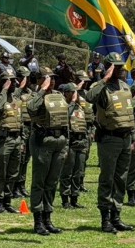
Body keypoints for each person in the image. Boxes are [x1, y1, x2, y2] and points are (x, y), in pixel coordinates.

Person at [88, 52, 135, 233]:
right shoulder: (101, 88)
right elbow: (89, 97)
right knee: (107, 178)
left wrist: (133, 138)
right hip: (109, 138)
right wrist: (104, 79)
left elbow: (129, 114)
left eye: (120, 66)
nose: (120, 70)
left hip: (125, 139)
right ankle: (105, 218)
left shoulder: (125, 87)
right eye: (115, 67)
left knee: (121, 179)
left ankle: (117, 216)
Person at [26, 70, 70, 236]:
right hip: (42, 142)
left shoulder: (59, 95)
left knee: (52, 182)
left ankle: (48, 218)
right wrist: (42, 90)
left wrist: (66, 142)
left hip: (59, 141)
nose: (52, 81)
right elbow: (31, 109)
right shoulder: (35, 95)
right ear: (40, 80)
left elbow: (66, 118)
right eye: (48, 78)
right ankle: (38, 221)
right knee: (40, 182)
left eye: (53, 78)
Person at [0, 69, 22, 213]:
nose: (14, 83)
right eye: (11, 81)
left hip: (16, 139)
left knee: (13, 172)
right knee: (1, 172)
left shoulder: (16, 99)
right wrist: (3, 91)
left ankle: (8, 201)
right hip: (4, 139)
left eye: (14, 80)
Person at [59, 79, 87, 210]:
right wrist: (71, 102)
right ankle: (65, 200)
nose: (76, 94)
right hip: (70, 143)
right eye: (73, 92)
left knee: (78, 172)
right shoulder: (64, 106)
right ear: (66, 93)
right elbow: (65, 116)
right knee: (67, 173)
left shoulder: (79, 107)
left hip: (81, 143)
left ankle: (75, 198)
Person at [13, 66, 34, 198]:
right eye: (23, 77)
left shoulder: (32, 92)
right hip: (20, 129)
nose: (26, 80)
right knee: (19, 159)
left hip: (30, 128)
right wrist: (20, 87)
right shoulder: (15, 93)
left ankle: (21, 184)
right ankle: (14, 186)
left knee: (26, 159)